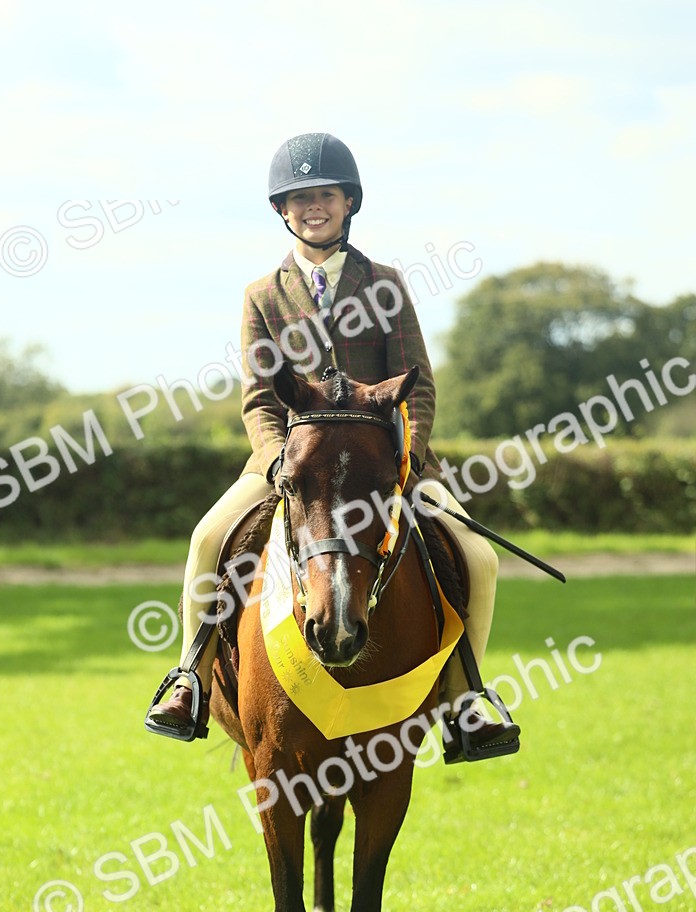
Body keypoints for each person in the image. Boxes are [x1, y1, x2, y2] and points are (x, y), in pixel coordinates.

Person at [148, 131, 519, 763]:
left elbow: (420, 386)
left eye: (325, 195)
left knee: (479, 558)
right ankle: (190, 677)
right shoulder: (262, 295)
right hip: (293, 464)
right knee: (206, 540)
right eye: (300, 198)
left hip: (386, 463)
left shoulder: (386, 284)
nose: (313, 207)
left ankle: (466, 700)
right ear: (282, 210)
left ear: (349, 203)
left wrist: (404, 455)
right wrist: (278, 462)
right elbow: (259, 399)